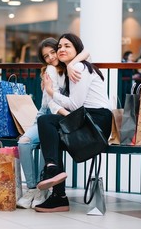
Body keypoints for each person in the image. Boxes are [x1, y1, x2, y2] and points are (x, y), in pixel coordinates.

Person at [34, 33, 112, 213]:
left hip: (95, 122)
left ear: (76, 49)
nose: (61, 49)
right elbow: (85, 53)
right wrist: (69, 66)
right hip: (89, 119)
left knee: (46, 121)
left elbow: (75, 104)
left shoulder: (79, 67)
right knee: (53, 135)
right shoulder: (75, 65)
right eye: (59, 46)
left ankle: (55, 182)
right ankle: (58, 193)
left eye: (67, 46)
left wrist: (50, 91)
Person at [16, 37, 89, 209]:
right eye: (46, 56)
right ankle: (33, 187)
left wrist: (72, 64)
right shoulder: (50, 70)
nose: (50, 58)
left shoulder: (70, 67)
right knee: (24, 142)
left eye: (52, 52)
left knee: (47, 145)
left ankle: (44, 188)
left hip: (59, 118)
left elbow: (86, 51)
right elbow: (51, 103)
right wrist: (69, 117)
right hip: (48, 115)